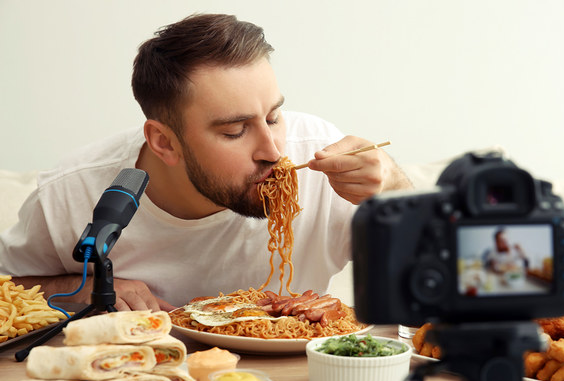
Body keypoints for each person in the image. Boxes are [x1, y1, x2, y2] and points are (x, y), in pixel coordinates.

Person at [0, 14, 412, 312]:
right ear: (164, 142)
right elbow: (7, 286)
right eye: (235, 131)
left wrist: (395, 189)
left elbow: (448, 269)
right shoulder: (74, 191)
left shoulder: (322, 158)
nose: (273, 150)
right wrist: (80, 286)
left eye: (273, 117)